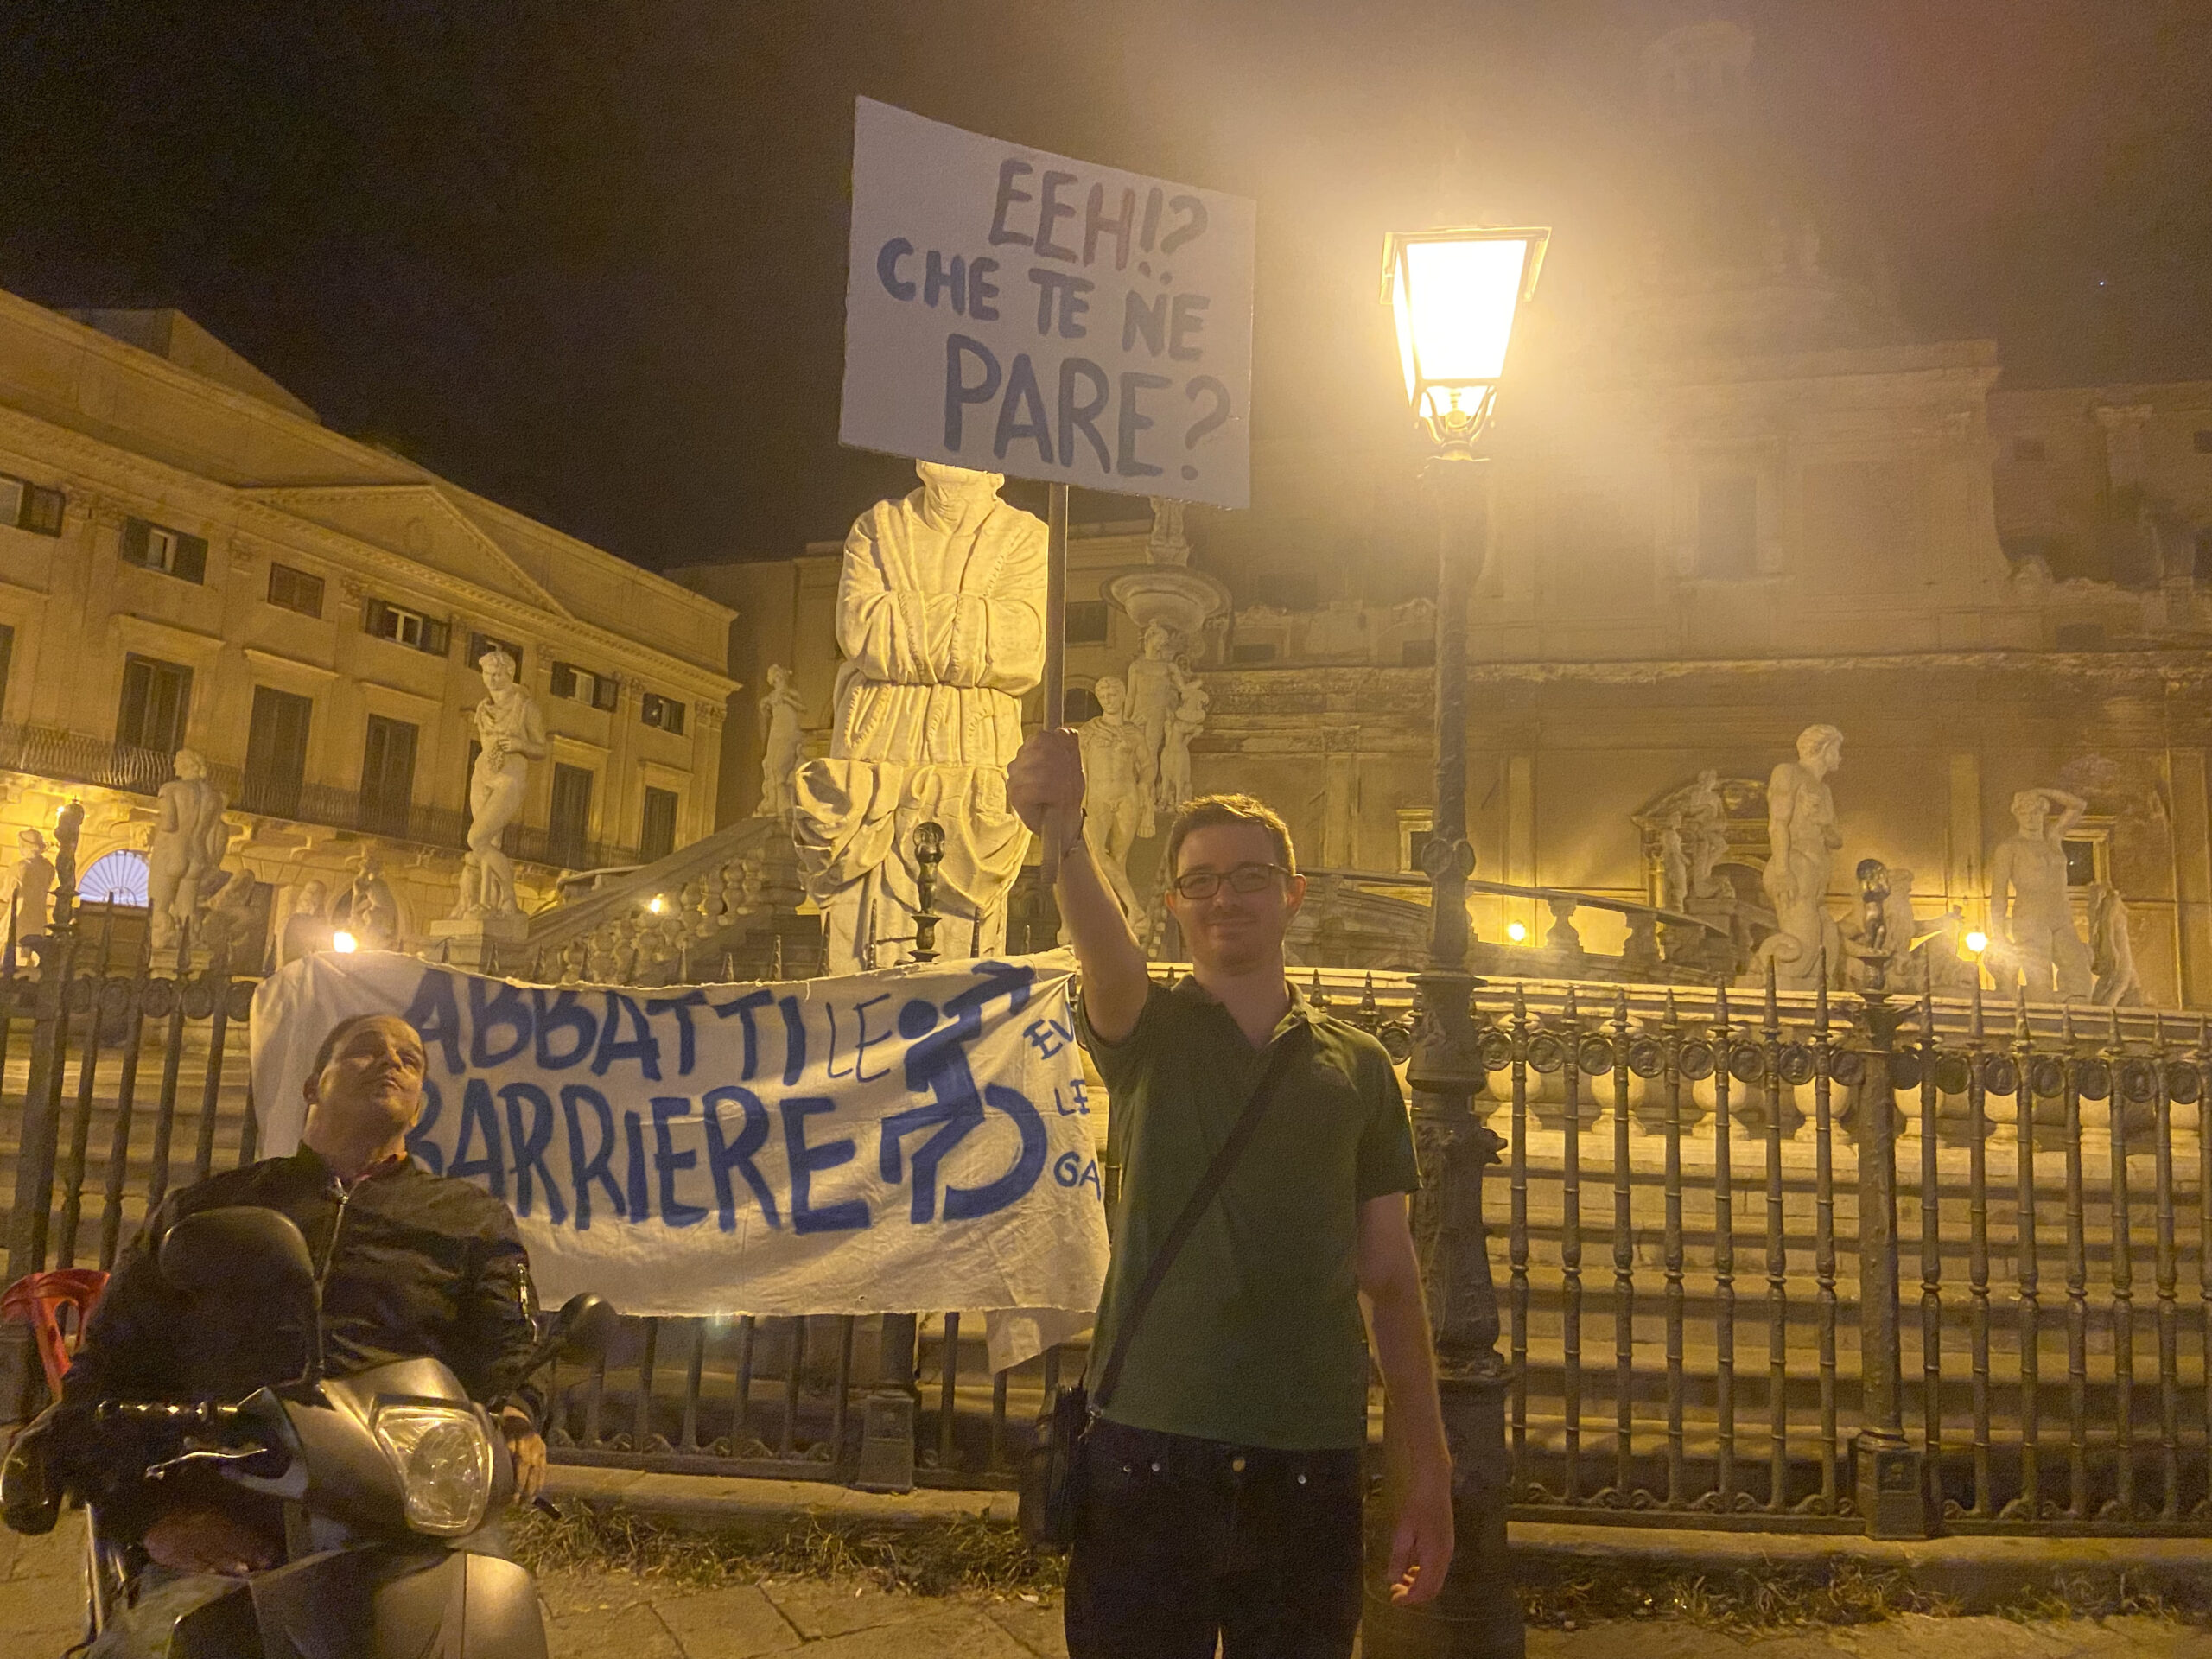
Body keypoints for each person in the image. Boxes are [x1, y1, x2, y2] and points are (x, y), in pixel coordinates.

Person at [1007, 732, 1452, 1659]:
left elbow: (1391, 1282)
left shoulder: (1361, 1066)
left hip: (1308, 1459)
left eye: (1250, 877)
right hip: (1145, 1448)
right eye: (1200, 881)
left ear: (1293, 894)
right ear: (1172, 905)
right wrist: (1065, 838)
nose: (1225, 897)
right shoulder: (1146, 1030)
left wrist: (1430, 1471)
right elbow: (1106, 958)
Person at [53, 1013, 548, 1656]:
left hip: (413, 1509)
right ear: (313, 1086)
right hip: (229, 1505)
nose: (392, 1062)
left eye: (410, 1060)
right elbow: (108, 1367)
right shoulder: (208, 1209)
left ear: (420, 1108)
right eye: (366, 1050)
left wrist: (519, 1411)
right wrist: (152, 1517)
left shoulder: (469, 1218)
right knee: (160, 1641)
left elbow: (512, 1345)